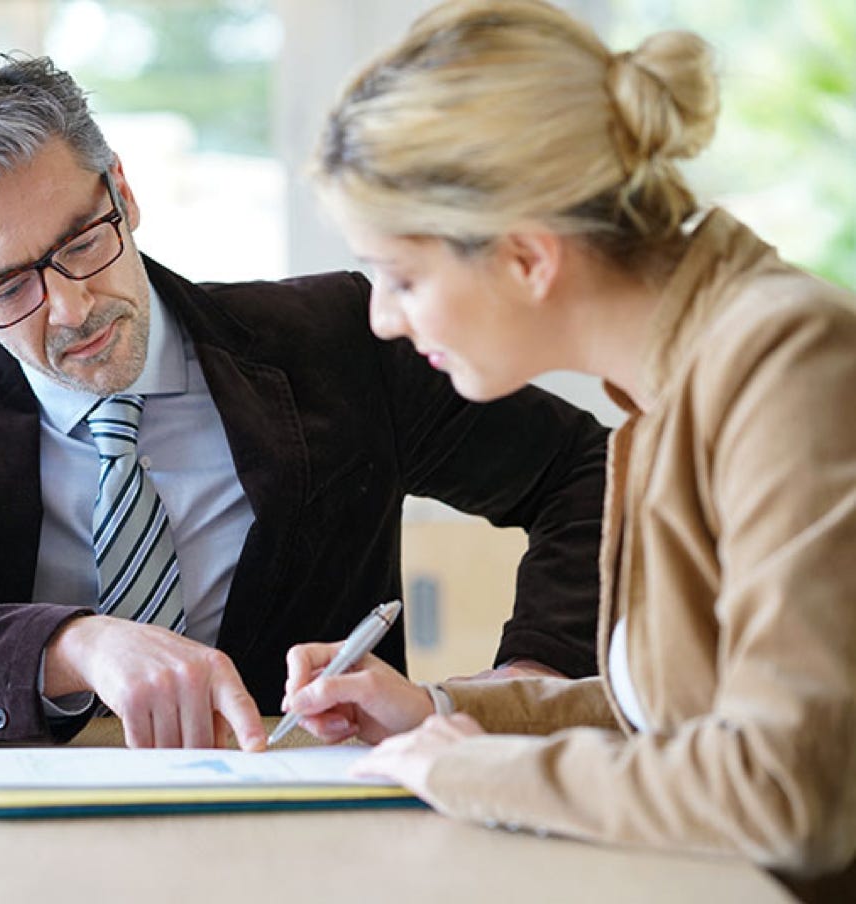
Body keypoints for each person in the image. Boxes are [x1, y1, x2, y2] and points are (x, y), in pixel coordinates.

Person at [0, 52, 608, 752]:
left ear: (122, 192)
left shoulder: (337, 343)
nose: (70, 308)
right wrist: (72, 646)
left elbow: (588, 471)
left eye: (82, 242)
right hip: (22, 830)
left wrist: (530, 681)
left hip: (308, 805)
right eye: (6, 288)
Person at [281, 0, 856, 883]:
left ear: (527, 258)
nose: (383, 319)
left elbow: (782, 787)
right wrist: (436, 711)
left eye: (401, 277)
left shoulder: (786, 366)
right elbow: (674, 714)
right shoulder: (673, 382)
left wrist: (475, 771)